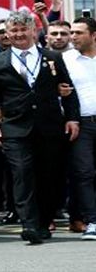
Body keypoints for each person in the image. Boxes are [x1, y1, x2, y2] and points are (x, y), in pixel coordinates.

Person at [0, 10, 80, 244]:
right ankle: (29, 224)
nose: (19, 34)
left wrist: (71, 118)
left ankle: (44, 221)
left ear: (33, 31)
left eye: (23, 29)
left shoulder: (52, 57)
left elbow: (67, 89)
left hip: (49, 126)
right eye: (14, 30)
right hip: (15, 128)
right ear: (7, 34)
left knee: (49, 177)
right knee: (22, 174)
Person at [63, 17, 96, 240]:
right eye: (72, 32)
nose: (72, 37)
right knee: (84, 173)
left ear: (93, 35)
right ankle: (92, 221)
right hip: (80, 124)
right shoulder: (64, 59)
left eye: (78, 33)